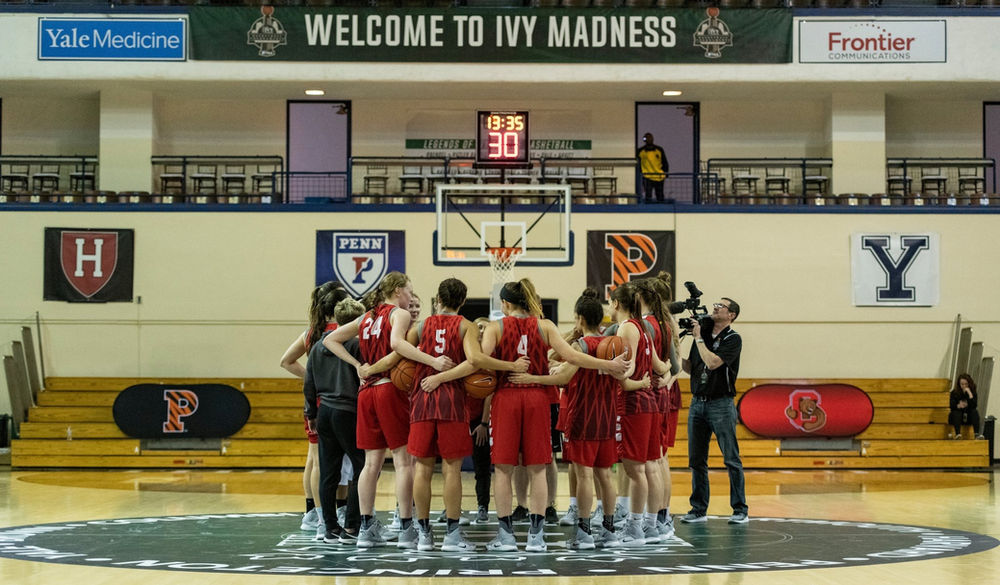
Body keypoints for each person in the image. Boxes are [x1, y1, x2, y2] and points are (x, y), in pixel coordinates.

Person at [483, 278, 629, 553]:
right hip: (538, 398)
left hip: (507, 396)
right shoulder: (546, 326)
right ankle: (536, 537)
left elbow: (480, 361)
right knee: (538, 467)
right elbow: (573, 357)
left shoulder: (496, 327)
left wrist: (508, 366)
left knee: (503, 469)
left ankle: (506, 537)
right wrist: (607, 364)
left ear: (505, 303)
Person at [323, 271, 455, 549]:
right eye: (409, 290)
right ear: (397, 291)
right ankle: (406, 527)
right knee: (403, 461)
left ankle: (366, 528)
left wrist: (357, 365)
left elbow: (330, 340)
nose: (410, 296)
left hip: (366, 393)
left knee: (370, 464)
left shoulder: (366, 316)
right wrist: (432, 361)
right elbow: (396, 344)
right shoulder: (399, 314)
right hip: (388, 390)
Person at [511, 288, 648, 550]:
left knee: (584, 475)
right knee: (604, 475)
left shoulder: (581, 346)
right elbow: (622, 379)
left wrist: (533, 378)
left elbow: (564, 378)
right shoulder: (615, 345)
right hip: (607, 417)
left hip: (583, 416)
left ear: (580, 319)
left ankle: (584, 533)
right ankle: (608, 530)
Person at [406, 278, 528, 551]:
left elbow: (401, 351)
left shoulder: (421, 326)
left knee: (422, 468)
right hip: (451, 400)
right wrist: (443, 377)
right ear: (462, 301)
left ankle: (424, 534)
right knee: (452, 468)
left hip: (422, 397)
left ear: (438, 299)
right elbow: (474, 361)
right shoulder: (466, 326)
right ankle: (451, 536)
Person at [278, 280, 349, 536]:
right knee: (337, 463)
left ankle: (315, 513)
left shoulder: (311, 332)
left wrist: (313, 377)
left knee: (315, 459)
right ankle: (331, 514)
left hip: (314, 402)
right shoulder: (344, 331)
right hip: (337, 401)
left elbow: (286, 361)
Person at [303, 297, 367, 544]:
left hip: (325, 411)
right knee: (363, 466)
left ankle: (329, 527)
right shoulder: (357, 345)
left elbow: (309, 382)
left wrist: (311, 413)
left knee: (328, 472)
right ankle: (352, 526)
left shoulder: (318, 345)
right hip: (348, 410)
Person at [680, 297, 748, 525]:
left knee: (731, 458)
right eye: (716, 304)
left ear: (731, 315)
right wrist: (673, 349)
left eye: (722, 306)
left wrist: (698, 338)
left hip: (721, 404)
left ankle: (740, 509)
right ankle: (699, 509)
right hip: (697, 402)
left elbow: (712, 363)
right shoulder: (703, 335)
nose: (716, 307)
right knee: (696, 460)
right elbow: (692, 368)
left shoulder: (732, 338)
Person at [949, 373, 983, 440]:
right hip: (957, 416)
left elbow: (974, 405)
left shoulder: (972, 392)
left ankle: (976, 434)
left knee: (974, 412)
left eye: (966, 384)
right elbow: (951, 405)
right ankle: (958, 434)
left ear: (969, 384)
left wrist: (970, 394)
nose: (964, 386)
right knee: (956, 412)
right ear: (959, 384)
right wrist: (958, 406)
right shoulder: (954, 392)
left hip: (967, 416)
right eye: (962, 384)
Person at [637, 132, 668, 204]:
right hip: (647, 177)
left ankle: (661, 208)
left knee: (660, 196)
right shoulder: (640, 151)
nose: (648, 139)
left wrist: (665, 173)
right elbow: (638, 165)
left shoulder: (659, 150)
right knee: (648, 196)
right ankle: (649, 209)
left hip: (659, 176)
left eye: (649, 138)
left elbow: (664, 162)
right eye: (646, 138)